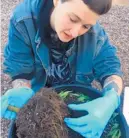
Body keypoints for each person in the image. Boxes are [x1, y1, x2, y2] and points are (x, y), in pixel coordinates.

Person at [1, 0, 123, 137]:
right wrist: (21, 88)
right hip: (39, 94)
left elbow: (110, 67)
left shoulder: (95, 35)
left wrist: (111, 98)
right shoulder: (24, 21)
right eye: (73, 19)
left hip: (74, 95)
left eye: (86, 26)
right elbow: (19, 65)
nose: (76, 32)